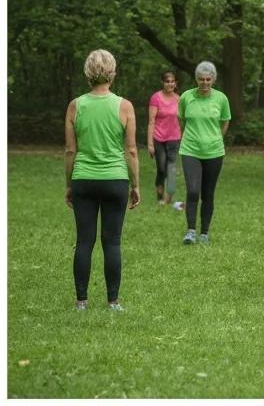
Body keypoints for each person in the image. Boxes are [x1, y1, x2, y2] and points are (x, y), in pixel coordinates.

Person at [64, 50, 140, 310]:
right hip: (115, 180)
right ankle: (113, 301)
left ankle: (81, 301)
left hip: (83, 179)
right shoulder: (124, 106)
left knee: (84, 241)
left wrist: (68, 184)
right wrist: (136, 184)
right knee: (112, 242)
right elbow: (130, 150)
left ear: (88, 73)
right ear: (112, 72)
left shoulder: (76, 105)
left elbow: (70, 150)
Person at [178, 61, 231, 245]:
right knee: (193, 190)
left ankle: (204, 233)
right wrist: (191, 137)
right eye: (201, 79)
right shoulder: (186, 97)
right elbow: (182, 120)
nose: (205, 83)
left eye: (208, 79)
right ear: (196, 79)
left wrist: (217, 138)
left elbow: (225, 121)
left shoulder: (221, 99)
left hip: (214, 151)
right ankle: (191, 231)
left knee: (208, 193)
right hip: (190, 149)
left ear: (213, 79)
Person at [146, 70, 181, 206]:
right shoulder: (156, 98)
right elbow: (151, 121)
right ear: (163, 82)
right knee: (161, 168)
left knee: (171, 168)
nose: (170, 84)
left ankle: (168, 199)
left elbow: (182, 120)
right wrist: (150, 144)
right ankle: (160, 195)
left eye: (172, 81)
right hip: (158, 138)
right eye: (167, 81)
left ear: (175, 83)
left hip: (174, 138)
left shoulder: (179, 99)